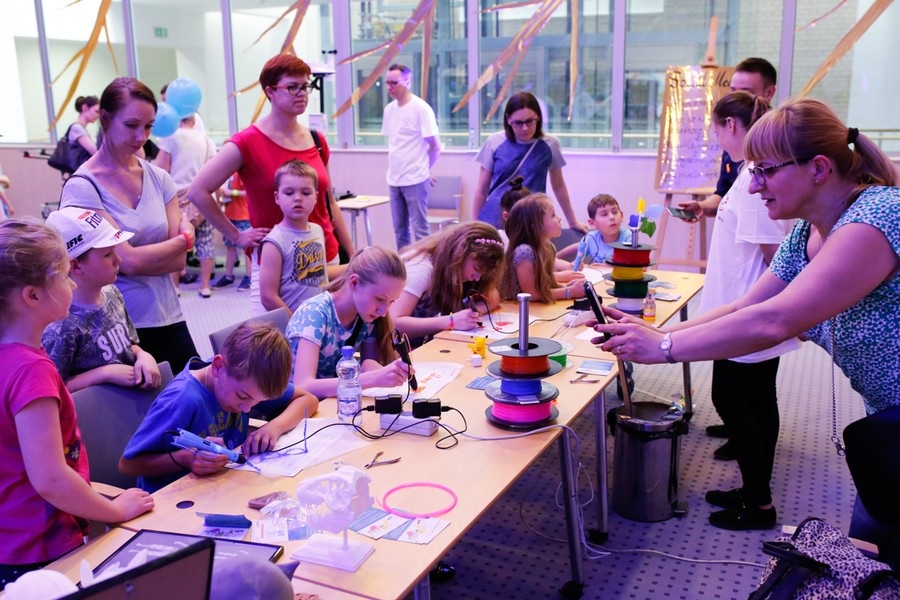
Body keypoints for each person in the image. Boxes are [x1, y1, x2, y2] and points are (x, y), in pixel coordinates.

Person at [594, 98, 899, 552]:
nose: (754, 186)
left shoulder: (875, 218)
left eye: (765, 172)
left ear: (818, 168)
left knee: (876, 550)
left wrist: (663, 350)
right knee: (873, 550)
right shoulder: (807, 234)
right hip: (886, 418)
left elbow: (775, 320)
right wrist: (659, 335)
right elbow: (747, 305)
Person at [0, 220, 154, 589]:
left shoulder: (15, 357)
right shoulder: (32, 370)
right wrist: (114, 510)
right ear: (33, 296)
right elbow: (51, 479)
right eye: (64, 275)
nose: (71, 285)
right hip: (39, 543)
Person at [696, 91, 800, 530]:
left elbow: (779, 258)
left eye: (717, 130)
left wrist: (778, 315)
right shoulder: (748, 175)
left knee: (732, 399)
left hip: (749, 315)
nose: (717, 138)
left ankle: (759, 504)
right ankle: (755, 491)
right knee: (757, 400)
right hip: (745, 313)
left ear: (731, 126)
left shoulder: (754, 182)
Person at [60, 77, 197, 373]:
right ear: (105, 119)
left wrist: (168, 253)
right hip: (114, 327)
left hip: (167, 313)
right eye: (132, 125)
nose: (141, 136)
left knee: (195, 391)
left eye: (148, 127)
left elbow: (178, 263)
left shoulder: (160, 179)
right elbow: (127, 261)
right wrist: (184, 240)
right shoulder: (83, 186)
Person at [188, 54, 354, 268]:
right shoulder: (247, 142)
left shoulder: (316, 140)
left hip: (324, 254)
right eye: (292, 87)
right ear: (270, 92)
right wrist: (237, 235)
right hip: (275, 261)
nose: (301, 93)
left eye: (305, 86)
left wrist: (352, 253)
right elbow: (197, 191)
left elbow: (329, 202)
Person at [119, 321, 319, 493]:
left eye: (257, 402)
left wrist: (273, 427)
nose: (247, 409)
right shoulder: (181, 400)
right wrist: (186, 458)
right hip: (171, 500)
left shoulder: (247, 380)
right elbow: (128, 464)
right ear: (217, 366)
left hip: (218, 486)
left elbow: (308, 400)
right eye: (243, 397)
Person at [41, 207, 162, 393]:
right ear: (75, 265)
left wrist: (143, 355)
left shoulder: (112, 293)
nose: (118, 260)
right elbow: (54, 389)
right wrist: (104, 374)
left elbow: (127, 344)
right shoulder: (60, 326)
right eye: (107, 254)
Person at [288, 247, 412, 400]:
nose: (383, 312)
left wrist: (371, 366)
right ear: (354, 282)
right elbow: (303, 386)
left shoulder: (366, 315)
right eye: (380, 299)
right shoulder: (314, 314)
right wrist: (374, 378)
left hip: (334, 401)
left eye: (391, 301)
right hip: (300, 406)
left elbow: (368, 363)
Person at [471, 91, 587, 233]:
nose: (525, 128)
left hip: (532, 220)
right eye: (518, 123)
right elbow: (481, 190)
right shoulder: (494, 142)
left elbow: (558, 186)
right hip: (495, 220)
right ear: (508, 119)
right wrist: (474, 224)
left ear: (538, 117)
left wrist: (572, 221)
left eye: (530, 121)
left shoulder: (550, 144)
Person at [678, 57, 778, 219]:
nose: (736, 98)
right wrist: (701, 207)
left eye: (746, 92)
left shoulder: (777, 147)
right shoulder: (732, 148)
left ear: (769, 93)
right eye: (733, 91)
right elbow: (724, 194)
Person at [390, 222, 505, 345]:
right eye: (476, 269)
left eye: (483, 274)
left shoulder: (458, 270)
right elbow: (393, 325)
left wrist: (472, 315)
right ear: (460, 253)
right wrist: (451, 321)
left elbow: (493, 297)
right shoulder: (421, 270)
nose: (477, 278)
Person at [155, 113, 218, 297]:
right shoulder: (207, 140)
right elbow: (213, 171)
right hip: (202, 200)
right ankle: (205, 286)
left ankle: (175, 287)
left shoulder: (170, 138)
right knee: (206, 243)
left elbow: (161, 170)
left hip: (177, 200)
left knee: (177, 242)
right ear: (194, 120)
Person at [256, 159, 328, 317]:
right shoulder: (274, 242)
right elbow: (268, 297)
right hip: (293, 323)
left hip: (318, 317)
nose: (298, 198)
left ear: (316, 197)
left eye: (306, 193)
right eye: (289, 193)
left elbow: (320, 275)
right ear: (277, 197)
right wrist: (296, 323)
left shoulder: (317, 230)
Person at [381, 63, 441, 250]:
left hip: (415, 178)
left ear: (407, 81)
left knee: (420, 229)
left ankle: (427, 265)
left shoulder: (421, 108)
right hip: (394, 179)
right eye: (387, 83)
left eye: (394, 83)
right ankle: (403, 265)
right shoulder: (389, 110)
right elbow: (396, 145)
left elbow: (435, 147)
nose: (390, 87)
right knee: (400, 231)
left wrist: (425, 169)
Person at [500, 193, 586, 302]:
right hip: (515, 308)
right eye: (553, 215)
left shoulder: (548, 247)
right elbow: (532, 294)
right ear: (535, 225)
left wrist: (566, 286)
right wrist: (570, 291)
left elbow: (544, 284)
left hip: (535, 307)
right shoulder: (524, 251)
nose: (559, 218)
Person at [572, 194, 633, 270]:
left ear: (621, 216)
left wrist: (609, 267)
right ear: (592, 223)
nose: (612, 217)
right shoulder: (591, 238)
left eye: (614, 212)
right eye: (604, 214)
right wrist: (574, 263)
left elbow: (641, 267)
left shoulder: (629, 237)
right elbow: (577, 254)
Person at [214, 174, 252, 291]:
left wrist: (232, 193)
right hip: (230, 215)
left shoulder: (241, 173)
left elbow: (248, 192)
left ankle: (249, 277)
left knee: (247, 248)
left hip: (243, 216)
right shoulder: (228, 174)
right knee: (230, 246)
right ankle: (228, 276)